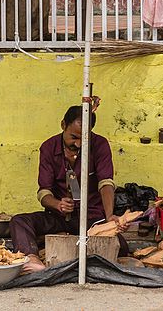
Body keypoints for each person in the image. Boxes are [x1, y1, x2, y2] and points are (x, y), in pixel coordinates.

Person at [9, 104, 129, 273]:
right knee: (19, 221)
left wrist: (109, 216)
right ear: (63, 125)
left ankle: (73, 253)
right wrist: (58, 204)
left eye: (84, 139)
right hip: (58, 217)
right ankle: (32, 260)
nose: (78, 144)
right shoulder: (48, 147)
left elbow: (106, 183)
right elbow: (44, 192)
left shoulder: (100, 144)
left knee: (122, 246)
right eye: (73, 137)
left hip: (91, 218)